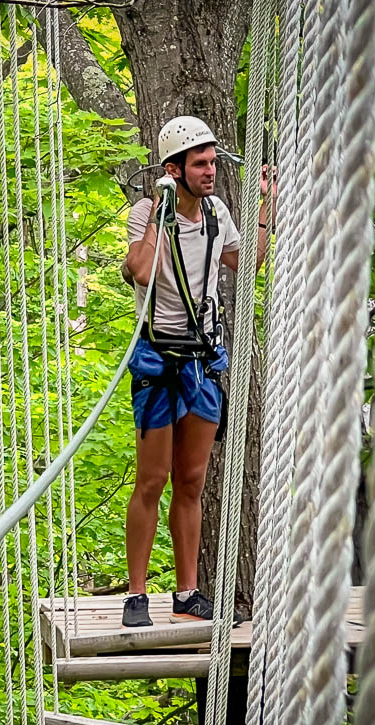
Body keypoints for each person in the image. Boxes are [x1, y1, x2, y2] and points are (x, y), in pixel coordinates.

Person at [121, 115, 274, 628]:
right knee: (152, 480)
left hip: (203, 362)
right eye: (200, 164)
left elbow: (244, 262)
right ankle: (137, 594)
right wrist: (161, 214)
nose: (210, 171)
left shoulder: (216, 213)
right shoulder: (146, 212)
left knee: (191, 480)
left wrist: (264, 213)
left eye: (212, 162)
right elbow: (140, 270)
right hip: (158, 361)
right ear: (174, 169)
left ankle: (187, 592)